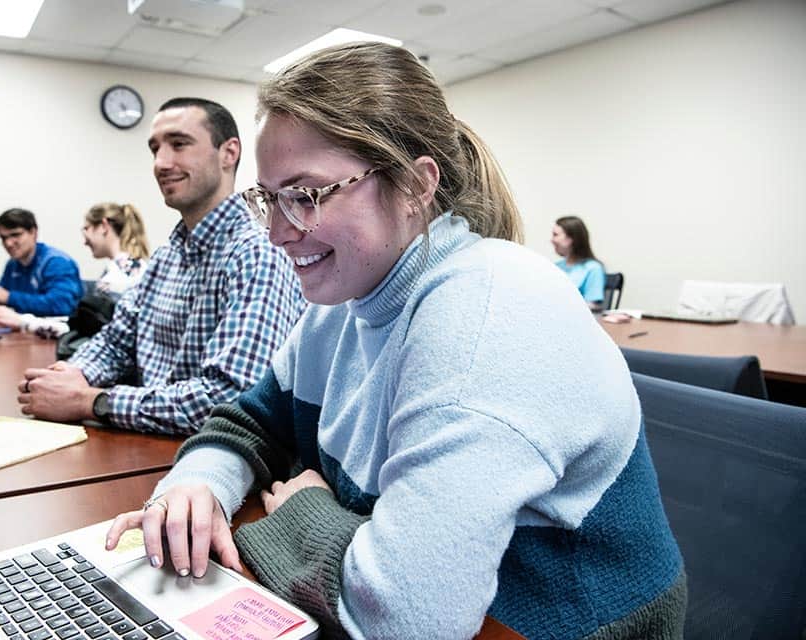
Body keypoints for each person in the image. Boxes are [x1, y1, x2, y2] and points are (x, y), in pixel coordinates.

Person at [105, 43, 686, 640]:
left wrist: (303, 514)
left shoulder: (486, 317)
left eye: (304, 196)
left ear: (413, 184)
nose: (278, 233)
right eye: (269, 199)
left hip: (553, 623)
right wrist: (197, 486)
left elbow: (407, 619)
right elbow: (250, 422)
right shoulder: (347, 299)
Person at [16, 98, 305, 435]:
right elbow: (117, 340)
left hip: (209, 460)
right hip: (148, 439)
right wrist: (69, 376)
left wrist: (92, 400)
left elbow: (232, 400)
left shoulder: (257, 253)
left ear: (229, 152)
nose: (161, 162)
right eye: (155, 149)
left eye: (179, 145)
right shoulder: (168, 255)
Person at [0, 202, 150, 337]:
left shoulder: (120, 276)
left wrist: (23, 322)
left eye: (86, 229)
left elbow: (94, 333)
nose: (84, 241)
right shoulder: (127, 268)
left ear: (104, 226)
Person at [0, 208, 82, 317]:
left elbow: (61, 305)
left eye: (15, 235)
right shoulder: (12, 264)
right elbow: (3, 297)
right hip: (22, 328)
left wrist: (9, 297)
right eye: (3, 238)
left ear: (33, 232)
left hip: (54, 331)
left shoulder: (57, 262)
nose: (8, 243)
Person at [551, 215, 606, 310]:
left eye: (555, 235)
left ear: (571, 238)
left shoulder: (593, 268)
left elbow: (593, 305)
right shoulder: (555, 267)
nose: (552, 240)